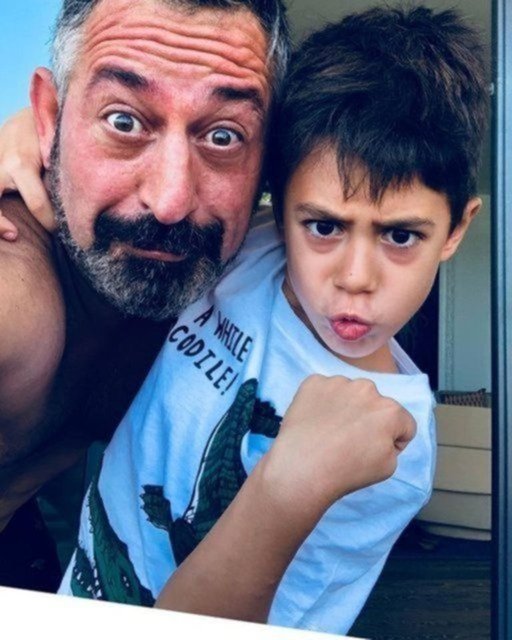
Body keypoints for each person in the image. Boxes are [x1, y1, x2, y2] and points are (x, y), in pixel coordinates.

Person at [51, 5, 487, 635]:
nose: (355, 278)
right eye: (324, 226)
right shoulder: (250, 252)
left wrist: (288, 491)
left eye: (400, 235)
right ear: (278, 211)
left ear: (456, 230)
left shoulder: (393, 450)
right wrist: (28, 139)